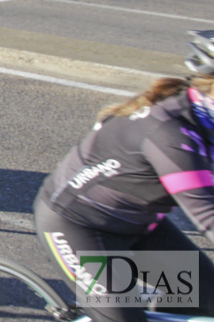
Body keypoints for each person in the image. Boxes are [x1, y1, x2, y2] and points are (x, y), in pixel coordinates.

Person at [34, 30, 214, 322]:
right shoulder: (171, 134)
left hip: (140, 225)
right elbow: (207, 214)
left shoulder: (204, 113)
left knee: (207, 302)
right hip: (77, 227)